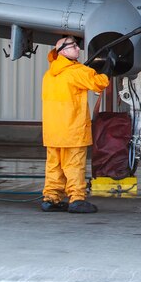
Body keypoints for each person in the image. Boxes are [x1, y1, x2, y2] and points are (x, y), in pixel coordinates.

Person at [41, 36, 112, 213]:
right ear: (63, 51)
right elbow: (100, 83)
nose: (78, 49)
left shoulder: (49, 74)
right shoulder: (77, 71)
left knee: (54, 166)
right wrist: (109, 65)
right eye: (73, 46)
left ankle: (51, 198)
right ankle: (77, 199)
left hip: (53, 131)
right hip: (72, 130)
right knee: (74, 166)